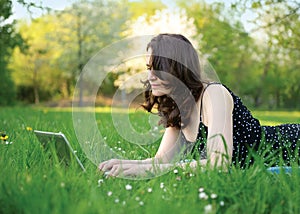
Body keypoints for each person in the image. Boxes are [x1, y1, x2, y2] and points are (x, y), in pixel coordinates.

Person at [98, 33, 300, 177]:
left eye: (157, 69)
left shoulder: (214, 94)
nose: (150, 77)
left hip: (291, 148)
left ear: (176, 68)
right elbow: (161, 161)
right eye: (149, 68)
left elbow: (219, 163)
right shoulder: (177, 104)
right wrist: (122, 165)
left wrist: (151, 170)